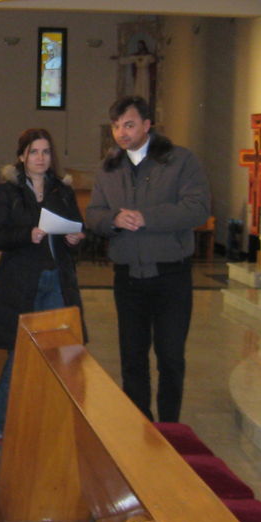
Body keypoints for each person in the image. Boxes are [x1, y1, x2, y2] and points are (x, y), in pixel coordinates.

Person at [85, 95, 210, 423]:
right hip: (127, 277)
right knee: (132, 358)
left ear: (147, 125)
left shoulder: (180, 161)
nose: (121, 133)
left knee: (170, 357)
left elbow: (198, 208)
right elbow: (93, 214)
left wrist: (147, 218)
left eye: (128, 125)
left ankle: (169, 427)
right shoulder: (109, 168)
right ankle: (138, 426)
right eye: (116, 126)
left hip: (171, 275)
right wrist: (113, 219)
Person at [0, 129, 85, 444]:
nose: (41, 158)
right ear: (22, 156)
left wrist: (75, 239)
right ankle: (0, 425)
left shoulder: (61, 190)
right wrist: (27, 234)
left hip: (56, 278)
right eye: (34, 152)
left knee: (62, 351)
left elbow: (76, 228)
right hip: (22, 281)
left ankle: (52, 423)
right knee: (21, 353)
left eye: (46, 152)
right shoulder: (8, 191)